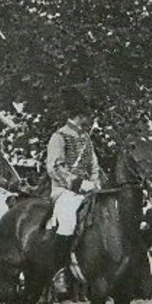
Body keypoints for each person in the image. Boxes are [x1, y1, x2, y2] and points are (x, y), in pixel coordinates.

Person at [45, 85, 101, 240]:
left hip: (89, 191)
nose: (91, 119)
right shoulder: (59, 136)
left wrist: (95, 184)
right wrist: (78, 184)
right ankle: (61, 263)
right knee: (68, 221)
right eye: (89, 115)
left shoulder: (86, 140)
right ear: (81, 115)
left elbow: (94, 166)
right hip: (64, 191)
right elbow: (55, 168)